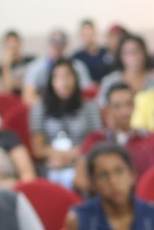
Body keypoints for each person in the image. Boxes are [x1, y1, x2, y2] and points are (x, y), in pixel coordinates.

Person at [75, 83, 154, 194]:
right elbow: (80, 180)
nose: (125, 111)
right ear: (107, 110)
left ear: (135, 106)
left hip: (144, 201)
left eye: (129, 104)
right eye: (117, 106)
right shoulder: (94, 140)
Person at [30, 60, 103, 190]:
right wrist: (60, 156)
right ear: (51, 81)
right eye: (58, 77)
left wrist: (71, 158)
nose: (63, 82)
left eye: (68, 76)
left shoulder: (90, 106)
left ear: (76, 79)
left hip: (82, 162)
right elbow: (38, 148)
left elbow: (96, 142)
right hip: (52, 163)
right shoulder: (39, 108)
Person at [22, 29, 93, 106]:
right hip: (46, 108)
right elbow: (28, 96)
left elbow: (87, 93)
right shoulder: (36, 67)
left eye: (60, 44)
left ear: (66, 46)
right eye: (54, 44)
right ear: (48, 45)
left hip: (74, 107)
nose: (57, 48)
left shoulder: (78, 66)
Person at [97, 32, 152, 106]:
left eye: (137, 51)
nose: (134, 56)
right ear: (121, 56)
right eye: (128, 52)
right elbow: (102, 107)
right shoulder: (110, 81)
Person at [71, 18, 114, 84]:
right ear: (81, 35)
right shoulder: (76, 57)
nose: (88, 36)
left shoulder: (107, 52)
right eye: (85, 34)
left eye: (89, 33)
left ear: (95, 33)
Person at [0, 30, 30, 97]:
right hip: (14, 99)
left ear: (20, 43)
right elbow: (7, 89)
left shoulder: (31, 60)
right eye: (9, 44)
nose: (13, 46)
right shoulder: (1, 67)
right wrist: (6, 65)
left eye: (15, 42)